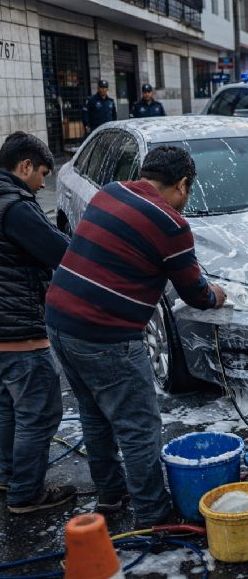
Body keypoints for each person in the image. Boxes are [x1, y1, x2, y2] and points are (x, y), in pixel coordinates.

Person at [45, 146, 226, 527]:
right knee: (139, 427)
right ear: (181, 184)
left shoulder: (110, 191)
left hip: (60, 320)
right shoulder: (170, 223)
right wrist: (216, 295)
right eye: (187, 192)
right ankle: (153, 516)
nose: (186, 200)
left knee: (96, 416)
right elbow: (195, 291)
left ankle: (111, 497)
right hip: (105, 334)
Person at [0, 132, 75, 514]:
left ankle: (10, 475)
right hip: (18, 334)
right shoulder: (15, 206)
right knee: (39, 413)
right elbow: (59, 250)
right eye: (42, 173)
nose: (43, 183)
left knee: (8, 409)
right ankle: (26, 494)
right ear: (24, 165)